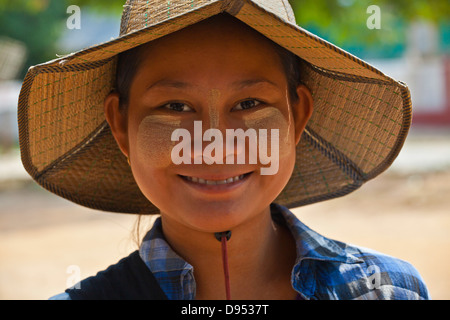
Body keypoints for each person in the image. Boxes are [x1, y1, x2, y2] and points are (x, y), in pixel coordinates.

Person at [18, 0, 429, 300]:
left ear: (298, 116)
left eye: (249, 104)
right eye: (175, 107)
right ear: (120, 127)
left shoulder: (388, 291)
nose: (215, 144)